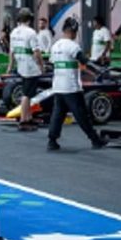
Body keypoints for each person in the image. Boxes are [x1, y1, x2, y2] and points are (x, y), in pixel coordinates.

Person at [47, 18, 106, 151]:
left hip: (58, 86)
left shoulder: (55, 46)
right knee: (81, 115)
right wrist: (100, 71)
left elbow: (52, 64)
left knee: (58, 114)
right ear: (73, 31)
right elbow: (85, 61)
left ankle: (52, 140)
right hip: (71, 87)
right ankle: (95, 140)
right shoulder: (73, 46)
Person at [7, 10, 45, 131]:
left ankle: (28, 117)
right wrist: (42, 66)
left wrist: (9, 67)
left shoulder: (13, 32)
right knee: (26, 95)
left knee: (27, 93)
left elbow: (11, 52)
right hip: (31, 67)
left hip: (21, 66)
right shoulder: (31, 32)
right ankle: (23, 120)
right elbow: (36, 52)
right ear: (29, 19)